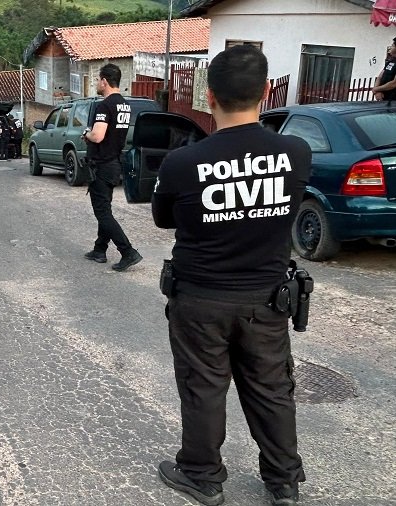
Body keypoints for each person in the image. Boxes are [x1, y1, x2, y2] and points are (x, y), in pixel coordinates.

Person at [152, 45, 311, 506]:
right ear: (266, 91)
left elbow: (163, 218)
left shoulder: (183, 162)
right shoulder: (296, 153)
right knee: (272, 389)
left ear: (209, 96)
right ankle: (284, 481)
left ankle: (202, 475)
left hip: (200, 299)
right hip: (267, 299)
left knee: (203, 388)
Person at [82, 63, 141, 271]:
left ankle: (128, 251)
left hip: (102, 165)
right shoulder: (124, 105)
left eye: (98, 80)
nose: (97, 84)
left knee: (102, 213)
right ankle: (100, 249)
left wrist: (87, 134)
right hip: (114, 163)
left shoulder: (105, 106)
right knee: (105, 209)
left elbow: (98, 136)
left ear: (104, 81)